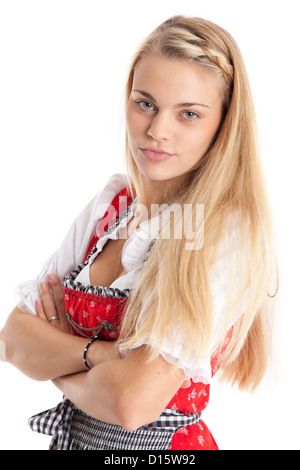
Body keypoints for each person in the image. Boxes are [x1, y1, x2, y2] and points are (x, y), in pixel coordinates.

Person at [0, 15, 278, 450]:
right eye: (145, 103)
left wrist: (57, 365)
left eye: (188, 114)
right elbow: (13, 340)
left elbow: (132, 402)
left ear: (223, 125)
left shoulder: (225, 233)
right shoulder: (110, 207)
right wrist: (105, 357)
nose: (156, 131)